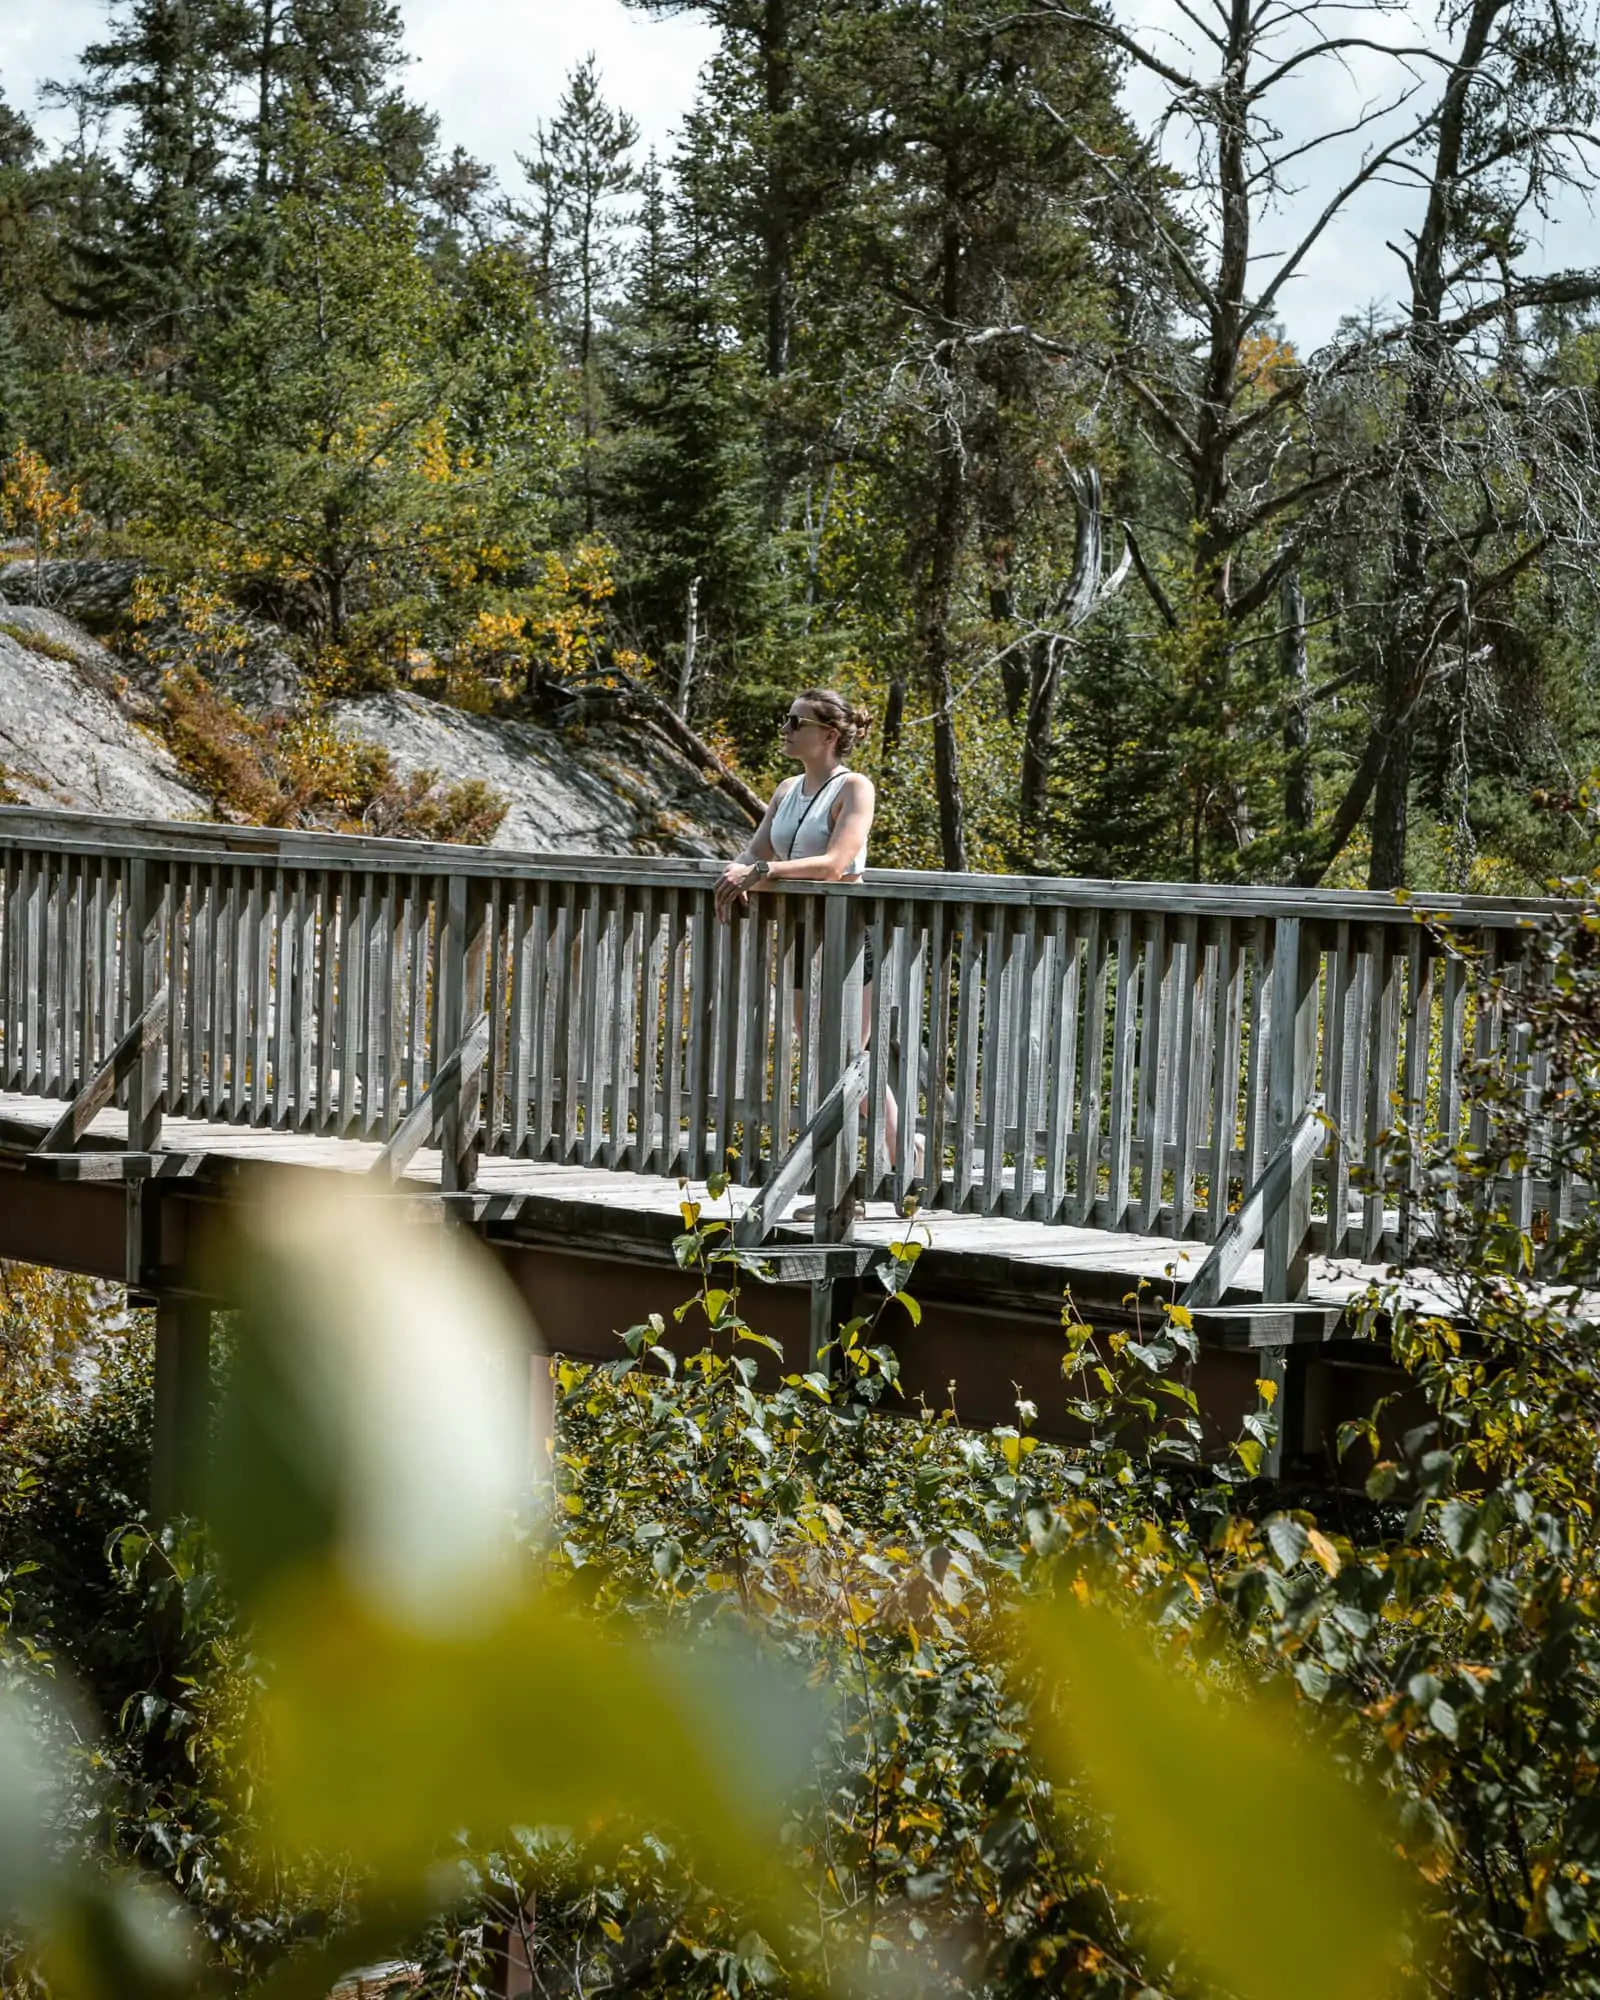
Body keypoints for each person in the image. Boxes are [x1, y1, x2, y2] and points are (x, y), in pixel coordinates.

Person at [715, 689, 917, 1202]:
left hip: (848, 936)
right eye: (785, 719)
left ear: (828, 735)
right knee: (827, 1061)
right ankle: (876, 1169)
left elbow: (835, 862)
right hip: (805, 937)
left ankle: (888, 1172)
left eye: (795, 721)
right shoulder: (786, 790)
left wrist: (760, 871)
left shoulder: (855, 788)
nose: (785, 728)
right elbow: (756, 853)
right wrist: (737, 875)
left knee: (850, 1059)